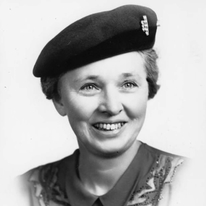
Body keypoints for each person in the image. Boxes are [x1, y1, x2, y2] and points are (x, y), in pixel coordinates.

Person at [17, 4, 188, 206]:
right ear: (59, 100)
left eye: (128, 84)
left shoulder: (193, 185)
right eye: (90, 87)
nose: (112, 107)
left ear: (147, 89)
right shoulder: (21, 193)